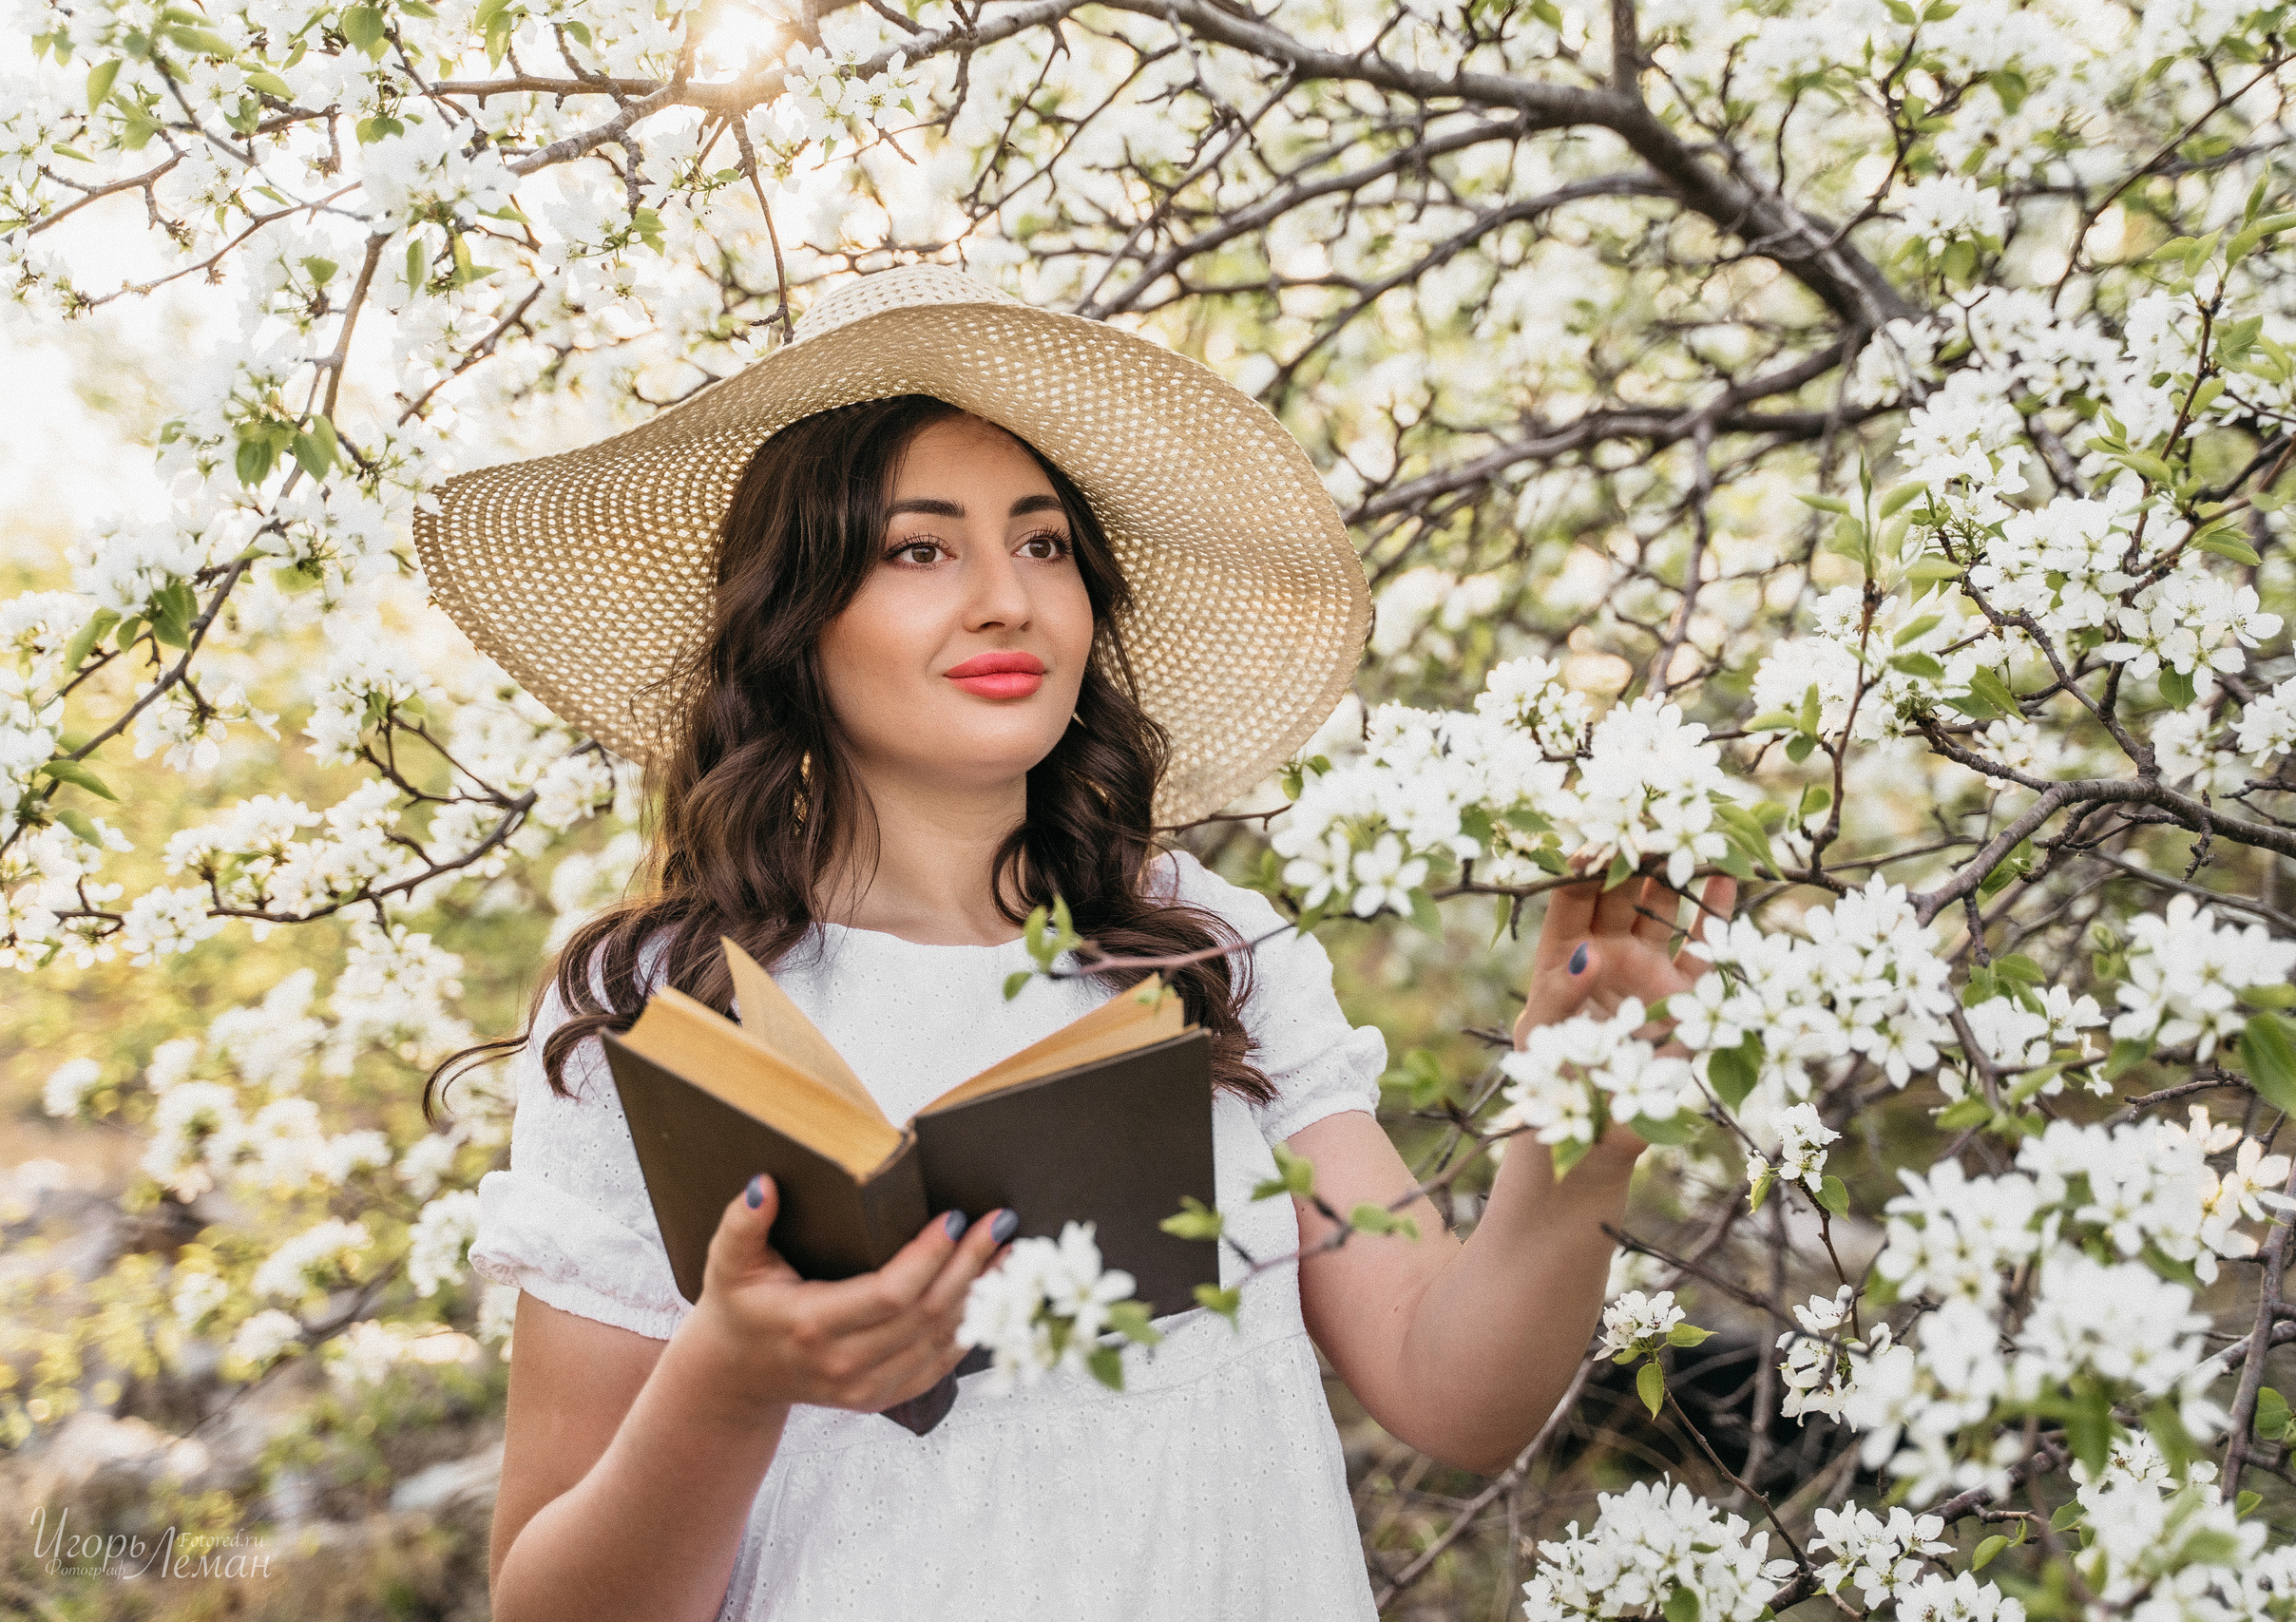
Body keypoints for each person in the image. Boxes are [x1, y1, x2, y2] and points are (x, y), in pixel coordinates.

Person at [418, 267, 1727, 1622]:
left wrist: (1586, 1118)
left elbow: (1454, 1388)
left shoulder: (1214, 951)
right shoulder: (663, 1012)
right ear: (794, 621)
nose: (1006, 600)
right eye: (919, 551)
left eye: (1044, 546)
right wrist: (731, 1379)